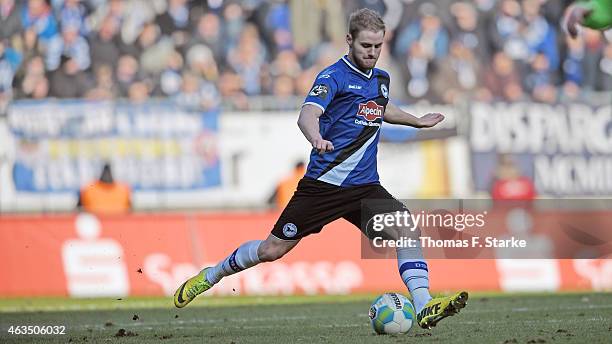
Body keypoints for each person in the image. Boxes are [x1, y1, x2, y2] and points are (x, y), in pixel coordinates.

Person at [174, 9, 468, 329]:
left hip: (364, 187)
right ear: (349, 40)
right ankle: (212, 275)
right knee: (272, 250)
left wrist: (416, 122)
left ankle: (424, 304)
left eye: (377, 46)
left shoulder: (381, 79)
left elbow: (382, 107)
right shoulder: (332, 77)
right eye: (365, 46)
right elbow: (307, 114)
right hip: (324, 185)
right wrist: (316, 137)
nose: (371, 53)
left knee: (406, 228)